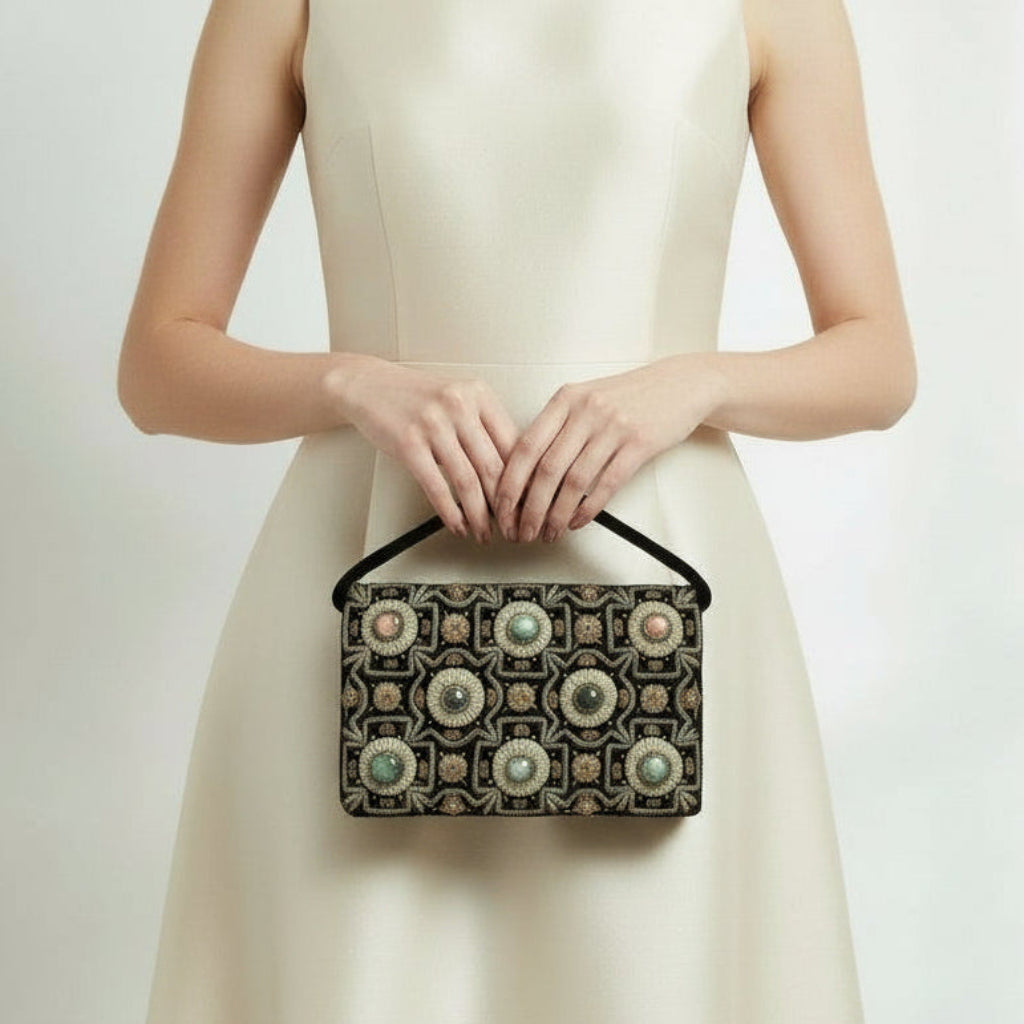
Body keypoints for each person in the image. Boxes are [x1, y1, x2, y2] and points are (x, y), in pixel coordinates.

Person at [118, 0, 916, 1019]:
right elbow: (157, 367)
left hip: (657, 604)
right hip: (360, 602)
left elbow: (877, 358)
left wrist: (696, 382)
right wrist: (349, 382)